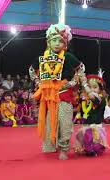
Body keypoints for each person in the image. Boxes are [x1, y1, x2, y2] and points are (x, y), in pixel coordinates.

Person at [29, 23, 85, 160]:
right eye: (54, 40)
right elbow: (31, 70)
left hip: (64, 95)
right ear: (48, 42)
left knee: (65, 123)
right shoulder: (42, 58)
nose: (57, 43)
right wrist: (38, 83)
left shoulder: (69, 57)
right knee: (51, 123)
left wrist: (71, 83)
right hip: (48, 97)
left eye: (61, 41)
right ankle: (52, 145)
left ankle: (64, 149)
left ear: (65, 44)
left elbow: (81, 69)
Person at [74, 74, 108, 156]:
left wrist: (85, 85)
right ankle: (88, 148)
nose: (92, 89)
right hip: (86, 125)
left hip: (96, 127)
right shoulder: (84, 99)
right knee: (80, 135)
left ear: (100, 89)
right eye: (90, 87)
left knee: (90, 136)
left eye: (95, 87)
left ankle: (94, 147)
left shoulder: (101, 99)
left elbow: (93, 97)